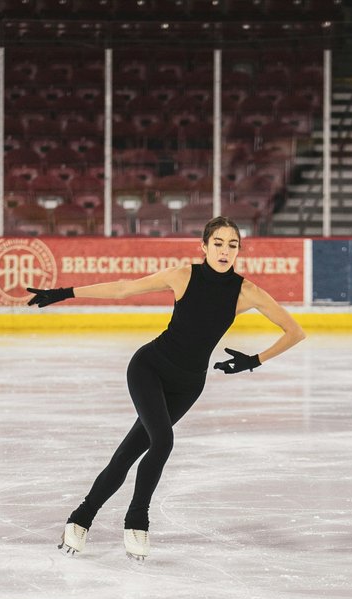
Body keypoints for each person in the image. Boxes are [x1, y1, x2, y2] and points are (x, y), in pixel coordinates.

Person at [26, 216, 305, 561]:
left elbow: (295, 332)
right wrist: (63, 293)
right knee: (163, 440)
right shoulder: (182, 275)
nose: (224, 251)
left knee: (129, 453)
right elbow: (124, 288)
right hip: (149, 369)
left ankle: (81, 517)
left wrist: (255, 360)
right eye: (217, 243)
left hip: (188, 385)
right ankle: (136, 519)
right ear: (203, 247)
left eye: (232, 245)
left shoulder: (246, 292)